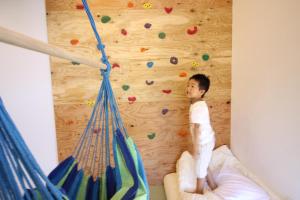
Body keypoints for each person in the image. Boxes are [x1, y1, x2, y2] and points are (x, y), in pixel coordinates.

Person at [186, 74, 217, 194]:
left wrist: (196, 147)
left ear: (201, 91)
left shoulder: (198, 107)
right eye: (188, 85)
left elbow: (197, 128)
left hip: (203, 142)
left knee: (200, 169)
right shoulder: (197, 104)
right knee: (204, 163)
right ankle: (213, 185)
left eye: (192, 86)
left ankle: (199, 192)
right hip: (208, 139)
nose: (188, 88)